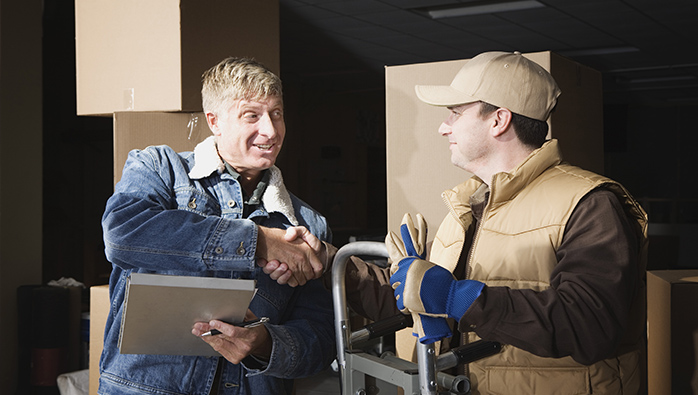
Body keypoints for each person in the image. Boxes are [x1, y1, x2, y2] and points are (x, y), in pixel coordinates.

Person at [263, 51, 648, 395]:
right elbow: (416, 301)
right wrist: (332, 262)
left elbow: (589, 327)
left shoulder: (590, 204)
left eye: (455, 113)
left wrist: (458, 296)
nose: (443, 127)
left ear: (499, 120)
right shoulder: (469, 206)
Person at [99, 57, 336, 395]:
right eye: (252, 115)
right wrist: (258, 242)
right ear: (215, 122)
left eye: (277, 114)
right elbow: (123, 232)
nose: (270, 130)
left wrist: (266, 343)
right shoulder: (160, 169)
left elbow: (322, 339)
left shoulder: (307, 224)